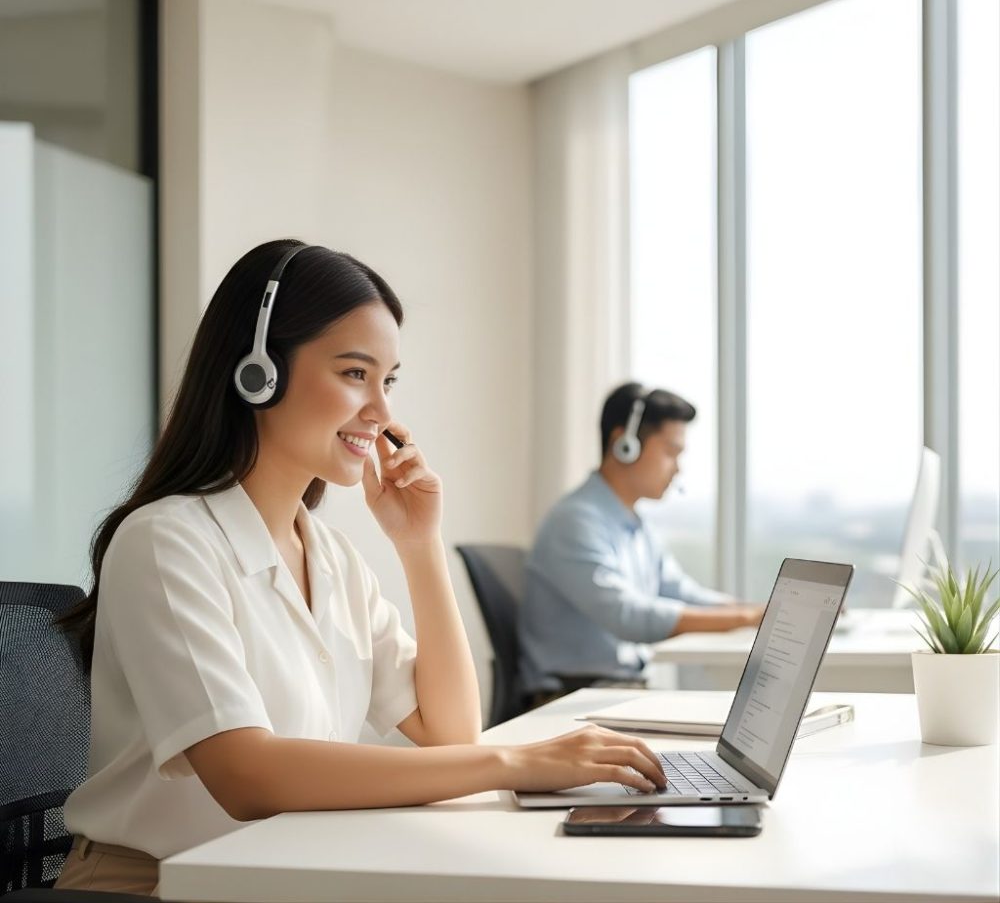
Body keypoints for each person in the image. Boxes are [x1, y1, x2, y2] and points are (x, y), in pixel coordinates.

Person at [54, 241, 666, 897]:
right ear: (258, 371)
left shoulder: (331, 557)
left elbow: (449, 732)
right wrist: (515, 762)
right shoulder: (166, 542)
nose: (382, 412)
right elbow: (247, 776)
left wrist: (419, 545)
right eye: (354, 374)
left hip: (283, 876)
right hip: (155, 885)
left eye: (389, 380)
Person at [520, 383, 764, 700]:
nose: (678, 468)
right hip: (570, 697)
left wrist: (759, 610)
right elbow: (628, 616)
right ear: (624, 443)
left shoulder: (635, 525)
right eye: (670, 452)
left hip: (614, 691)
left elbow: (682, 592)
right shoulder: (575, 521)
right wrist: (747, 618)